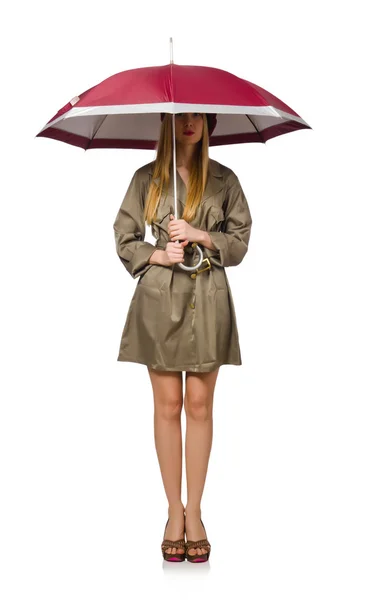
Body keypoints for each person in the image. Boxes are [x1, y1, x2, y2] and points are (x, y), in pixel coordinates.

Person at [112, 112, 252, 562]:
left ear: (209, 122)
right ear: (166, 123)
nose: (189, 123)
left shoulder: (225, 180)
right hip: (159, 300)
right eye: (180, 117)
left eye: (197, 116)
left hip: (208, 298)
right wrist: (159, 253)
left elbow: (240, 241)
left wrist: (199, 236)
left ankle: (196, 511)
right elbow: (123, 236)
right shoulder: (146, 179)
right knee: (168, 405)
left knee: (200, 406)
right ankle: (174, 512)